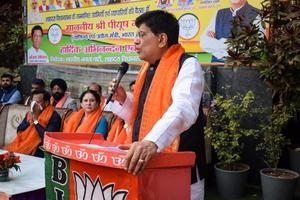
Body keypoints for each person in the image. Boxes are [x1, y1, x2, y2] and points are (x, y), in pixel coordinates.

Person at [108, 10, 206, 199]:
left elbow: (184, 109)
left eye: (142, 35)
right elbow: (139, 119)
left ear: (162, 39)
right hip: (146, 164)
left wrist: (152, 142)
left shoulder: (187, 64)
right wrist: (123, 100)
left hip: (179, 168)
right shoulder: (147, 69)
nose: (135, 41)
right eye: (136, 35)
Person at [4, 89, 61, 157]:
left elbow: (47, 138)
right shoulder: (30, 114)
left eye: (37, 102)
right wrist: (30, 122)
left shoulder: (54, 116)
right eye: (33, 102)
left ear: (46, 103)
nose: (34, 105)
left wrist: (36, 121)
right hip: (24, 146)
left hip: (40, 150)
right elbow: (19, 130)